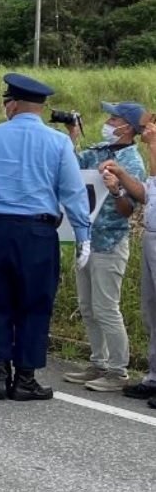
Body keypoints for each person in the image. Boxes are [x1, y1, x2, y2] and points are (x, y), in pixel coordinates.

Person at [0, 73, 91, 401]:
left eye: (7, 102)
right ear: (40, 108)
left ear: (14, 104)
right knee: (34, 304)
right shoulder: (59, 142)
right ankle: (26, 378)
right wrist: (82, 234)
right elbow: (73, 192)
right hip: (37, 233)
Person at [59, 101, 143, 392]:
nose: (108, 121)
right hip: (86, 239)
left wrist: (117, 187)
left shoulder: (132, 162)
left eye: (114, 118)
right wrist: (73, 135)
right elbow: (69, 166)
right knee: (87, 307)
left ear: (128, 127)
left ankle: (118, 371)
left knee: (106, 308)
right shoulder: (98, 151)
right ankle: (99, 362)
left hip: (110, 242)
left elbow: (127, 210)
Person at [95, 120, 156, 408]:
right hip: (151, 233)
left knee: (116, 307)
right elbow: (150, 192)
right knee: (151, 310)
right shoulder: (112, 150)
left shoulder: (136, 155)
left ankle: (127, 371)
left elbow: (139, 197)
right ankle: (153, 377)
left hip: (128, 238)